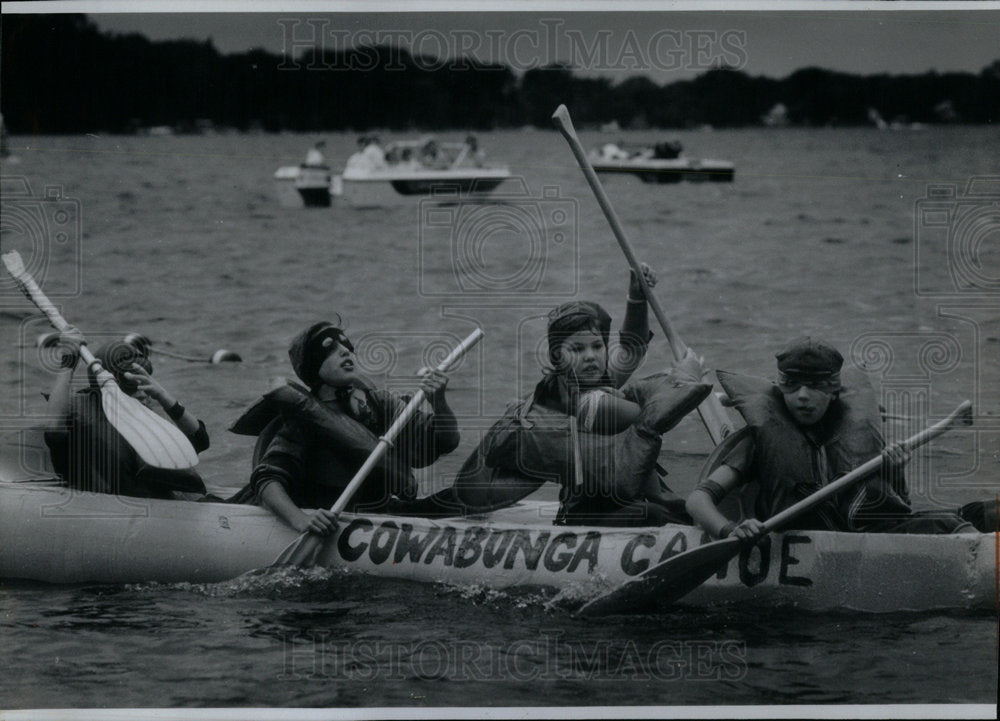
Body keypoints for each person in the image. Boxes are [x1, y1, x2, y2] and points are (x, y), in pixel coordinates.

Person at [452, 266, 714, 527]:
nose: (590, 355)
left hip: (621, 499)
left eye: (597, 346)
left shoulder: (586, 380)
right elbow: (647, 417)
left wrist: (636, 298)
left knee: (667, 509)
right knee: (655, 515)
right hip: (585, 515)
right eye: (577, 349)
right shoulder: (578, 401)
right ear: (557, 357)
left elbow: (632, 350)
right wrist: (685, 380)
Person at [686, 336, 976, 542]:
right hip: (799, 539)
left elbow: (902, 504)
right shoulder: (756, 441)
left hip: (864, 535)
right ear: (781, 388)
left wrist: (895, 469)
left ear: (834, 390)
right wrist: (729, 530)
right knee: (947, 523)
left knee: (964, 518)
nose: (802, 396)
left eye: (815, 386)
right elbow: (698, 500)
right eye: (792, 385)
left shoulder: (855, 431)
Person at [231, 319, 460, 536]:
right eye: (330, 348)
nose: (345, 351)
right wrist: (300, 520)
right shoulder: (302, 417)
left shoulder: (380, 404)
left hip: (374, 512)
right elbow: (267, 480)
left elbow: (444, 441)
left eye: (347, 346)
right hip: (325, 515)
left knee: (456, 500)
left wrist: (438, 402)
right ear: (312, 365)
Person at [43, 329, 210, 499]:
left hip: (168, 504)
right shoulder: (82, 418)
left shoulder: (145, 417)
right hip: (118, 507)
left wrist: (163, 396)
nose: (143, 393)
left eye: (143, 383)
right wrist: (68, 363)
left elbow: (200, 439)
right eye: (132, 385)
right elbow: (54, 432)